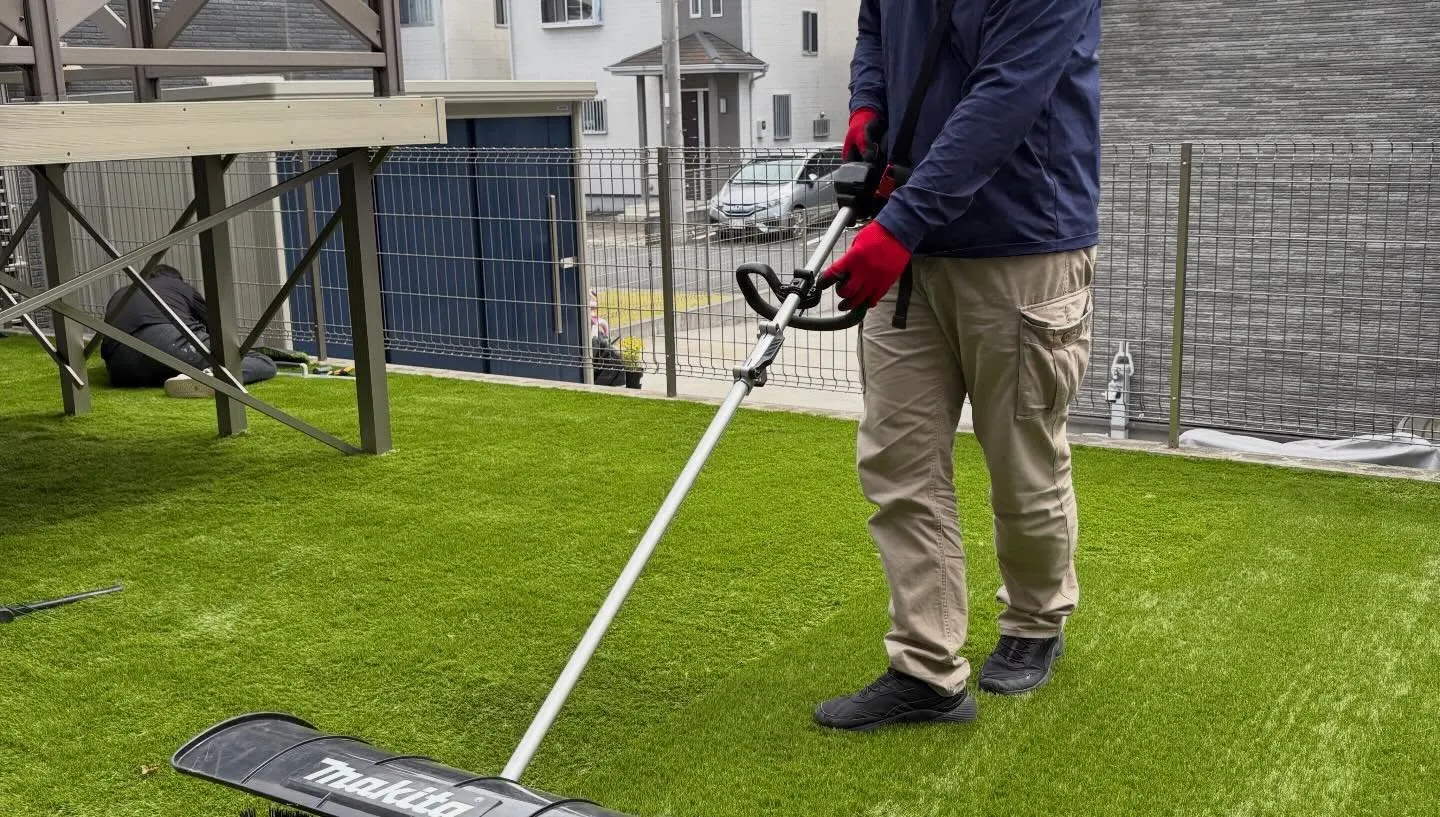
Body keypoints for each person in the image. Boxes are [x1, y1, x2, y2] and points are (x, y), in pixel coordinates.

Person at [811, 0, 1103, 730]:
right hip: (907, 242)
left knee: (1022, 459)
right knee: (898, 462)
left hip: (1022, 242)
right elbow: (875, 28)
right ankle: (926, 667)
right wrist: (866, 105)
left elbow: (1004, 97)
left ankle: (1036, 618)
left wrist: (899, 225)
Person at [100, 264, 277, 394]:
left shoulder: (122, 292)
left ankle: (190, 376)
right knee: (261, 362)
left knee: (168, 364)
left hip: (120, 366)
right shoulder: (180, 287)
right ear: (176, 279)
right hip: (167, 340)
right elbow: (216, 328)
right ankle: (211, 377)